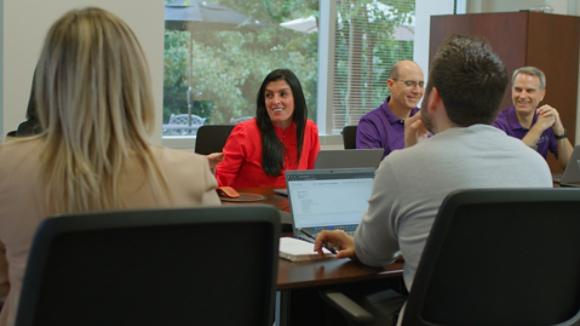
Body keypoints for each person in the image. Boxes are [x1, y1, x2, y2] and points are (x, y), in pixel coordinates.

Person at [0, 8, 221, 326]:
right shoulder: (191, 175)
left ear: (48, 82)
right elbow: (211, 282)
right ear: (135, 83)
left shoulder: (6, 168)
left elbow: (4, 287)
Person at [315, 34, 552, 301]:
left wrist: (358, 244)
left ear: (434, 97)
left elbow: (373, 254)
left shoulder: (401, 166)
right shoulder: (537, 167)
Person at [216, 69, 320, 188]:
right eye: (269, 95)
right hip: (254, 205)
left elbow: (315, 178)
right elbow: (220, 181)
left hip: (295, 205)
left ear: (296, 98)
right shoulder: (244, 132)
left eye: (283, 94)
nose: (275, 101)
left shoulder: (309, 129)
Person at [492, 66, 573, 169]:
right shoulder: (498, 124)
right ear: (512, 91)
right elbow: (514, 165)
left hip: (539, 183)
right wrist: (539, 127)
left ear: (542, 95)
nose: (522, 96)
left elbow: (570, 167)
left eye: (529, 91)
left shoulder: (546, 119)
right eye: (518, 89)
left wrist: (559, 131)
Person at [356, 60, 424, 159]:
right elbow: (373, 170)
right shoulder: (371, 124)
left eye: (421, 84)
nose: (417, 91)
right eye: (409, 83)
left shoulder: (426, 120)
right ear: (391, 84)